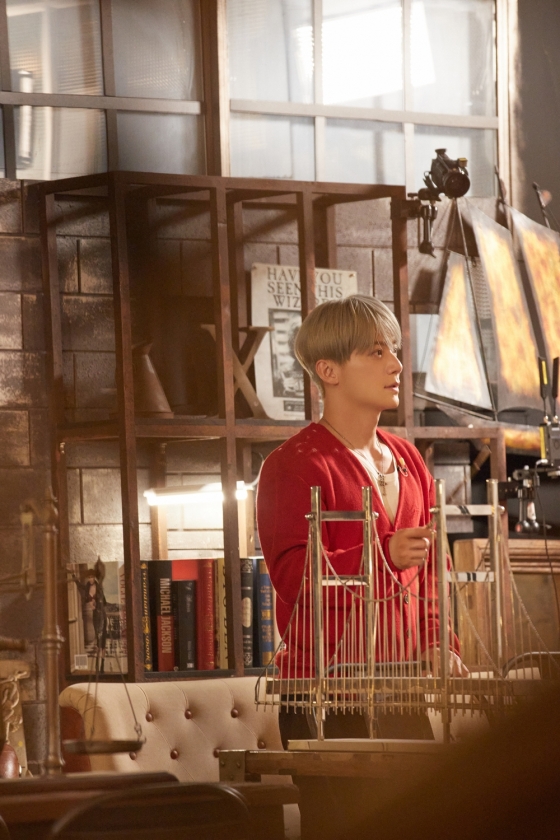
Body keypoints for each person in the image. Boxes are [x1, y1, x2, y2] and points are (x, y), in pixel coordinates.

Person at [256, 294, 465, 839]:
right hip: (322, 697)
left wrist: (438, 642)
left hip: (402, 691)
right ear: (328, 371)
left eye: (393, 350)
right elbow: (292, 578)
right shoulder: (291, 466)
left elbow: (433, 572)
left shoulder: (410, 459)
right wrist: (382, 556)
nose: (396, 365)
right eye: (376, 352)